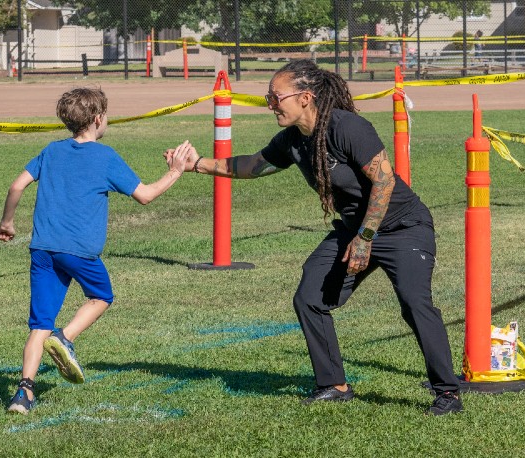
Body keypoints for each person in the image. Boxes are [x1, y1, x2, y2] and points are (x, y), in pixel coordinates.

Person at [179, 59, 463, 415]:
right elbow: (253, 165)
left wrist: (365, 236)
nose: (270, 105)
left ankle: (447, 392)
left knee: (414, 302)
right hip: (352, 230)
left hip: (403, 228)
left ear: (305, 97)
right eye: (269, 98)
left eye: (275, 97)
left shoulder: (347, 127)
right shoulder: (292, 141)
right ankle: (334, 384)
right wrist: (197, 163)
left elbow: (385, 181)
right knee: (310, 297)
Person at [0, 87, 191, 415]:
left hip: (42, 249)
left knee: (38, 323)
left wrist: (7, 222)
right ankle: (66, 336)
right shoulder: (105, 157)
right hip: (79, 252)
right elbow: (145, 195)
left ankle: (23, 394)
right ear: (98, 119)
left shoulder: (51, 151)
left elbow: (16, 186)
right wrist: (175, 171)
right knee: (102, 296)